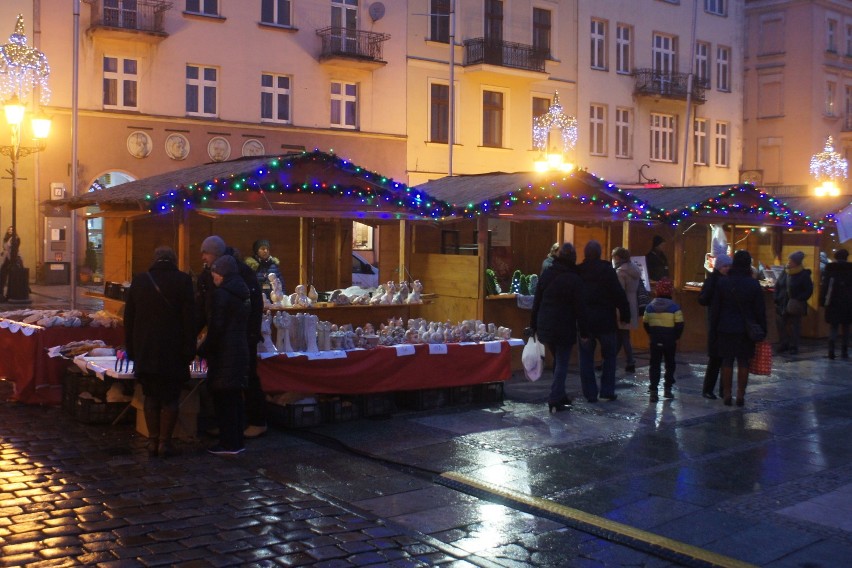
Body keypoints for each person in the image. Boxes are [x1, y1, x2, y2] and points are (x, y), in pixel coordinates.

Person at [124, 246, 196, 458]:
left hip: (146, 349)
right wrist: (189, 349)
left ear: (155, 260)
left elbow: (129, 319)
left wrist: (132, 350)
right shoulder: (183, 281)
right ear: (173, 261)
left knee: (150, 395)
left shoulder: (140, 280)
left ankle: (152, 440)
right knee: (170, 397)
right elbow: (189, 319)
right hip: (174, 350)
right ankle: (165, 442)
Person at [197, 236, 267, 439]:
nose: (203, 257)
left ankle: (256, 421)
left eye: (206, 253)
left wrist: (251, 333)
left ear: (216, 254)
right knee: (224, 382)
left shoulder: (240, 272)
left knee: (245, 379)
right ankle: (228, 424)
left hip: (240, 337)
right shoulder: (212, 273)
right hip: (226, 337)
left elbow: (254, 306)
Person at [199, 254, 251, 455]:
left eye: (215, 274)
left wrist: (203, 349)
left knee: (224, 399)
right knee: (235, 398)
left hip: (224, 354)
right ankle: (237, 441)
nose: (213, 278)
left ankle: (228, 443)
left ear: (222, 273)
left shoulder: (222, 295)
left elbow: (216, 328)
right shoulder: (242, 291)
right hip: (239, 349)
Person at [529, 242, 586, 413]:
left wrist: (533, 325)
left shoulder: (547, 274)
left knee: (558, 360)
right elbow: (580, 307)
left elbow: (537, 301)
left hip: (545, 324)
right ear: (573, 258)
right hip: (564, 325)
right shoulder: (574, 278)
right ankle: (555, 397)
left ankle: (561, 395)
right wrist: (584, 330)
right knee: (562, 362)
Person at [577, 240, 631, 402]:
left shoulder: (579, 271)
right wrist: (624, 313)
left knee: (586, 359)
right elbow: (618, 293)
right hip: (606, 321)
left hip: (585, 321)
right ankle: (607, 390)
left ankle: (590, 393)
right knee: (609, 357)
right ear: (600, 253)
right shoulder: (607, 270)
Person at [712, 250, 766, 406]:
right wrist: (762, 329)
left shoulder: (723, 282)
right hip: (746, 329)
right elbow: (759, 310)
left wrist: (714, 328)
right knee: (744, 362)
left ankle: (727, 393)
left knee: (727, 361)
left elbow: (716, 308)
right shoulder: (753, 284)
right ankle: (740, 394)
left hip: (726, 327)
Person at [643, 278, 684, 402]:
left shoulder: (649, 307)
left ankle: (654, 391)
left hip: (655, 340)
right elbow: (680, 325)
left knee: (654, 365)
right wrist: (676, 337)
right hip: (670, 341)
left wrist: (652, 334)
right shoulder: (675, 308)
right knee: (670, 364)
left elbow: (645, 323)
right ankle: (667, 389)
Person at [698, 254, 732, 399]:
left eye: (729, 266)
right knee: (716, 358)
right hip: (716, 321)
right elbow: (703, 299)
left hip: (724, 322)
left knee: (724, 358)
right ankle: (709, 389)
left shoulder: (726, 280)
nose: (728, 269)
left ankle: (723, 389)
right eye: (725, 266)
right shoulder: (713, 280)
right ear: (719, 266)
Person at [774, 251, 814, 355]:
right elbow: (778, 285)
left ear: (797, 262)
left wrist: (799, 298)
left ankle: (793, 346)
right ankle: (784, 343)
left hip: (795, 304)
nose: (789, 262)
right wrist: (777, 297)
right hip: (782, 302)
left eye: (791, 260)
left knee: (795, 325)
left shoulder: (804, 274)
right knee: (781, 324)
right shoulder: (785, 271)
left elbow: (808, 290)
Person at [611, 247, 640, 374]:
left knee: (622, 335)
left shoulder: (620, 272)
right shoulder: (634, 269)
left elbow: (619, 291)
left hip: (622, 305)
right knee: (622, 334)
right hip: (632, 302)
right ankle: (613, 359)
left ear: (617, 257)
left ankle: (629, 361)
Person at [820, 249, 852, 359]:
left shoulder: (831, 269)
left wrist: (822, 301)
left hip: (833, 302)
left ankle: (831, 351)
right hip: (848, 303)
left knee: (833, 327)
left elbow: (825, 286)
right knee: (846, 328)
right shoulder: (850, 269)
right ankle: (844, 351)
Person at [0, 226, 20, 301]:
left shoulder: (16, 238)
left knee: (14, 277)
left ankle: (12, 294)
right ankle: (1, 293)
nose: (10, 230)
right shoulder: (6, 238)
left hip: (12, 259)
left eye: (12, 229)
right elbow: (5, 248)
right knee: (2, 276)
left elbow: (15, 249)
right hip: (6, 259)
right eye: (9, 229)